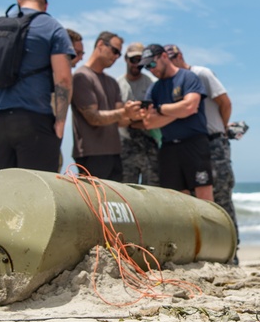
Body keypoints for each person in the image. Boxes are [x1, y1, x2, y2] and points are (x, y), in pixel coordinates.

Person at [0, 0, 74, 172]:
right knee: (38, 194)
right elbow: (64, 80)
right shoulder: (52, 28)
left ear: (19, 2)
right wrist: (60, 123)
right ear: (45, 6)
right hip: (34, 120)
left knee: (2, 191)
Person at [165, 44, 240, 247]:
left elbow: (225, 103)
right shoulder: (171, 82)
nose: (169, 64)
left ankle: (232, 247)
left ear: (180, 56)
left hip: (213, 141)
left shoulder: (201, 73)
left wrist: (222, 129)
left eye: (172, 58)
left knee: (222, 195)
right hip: (191, 145)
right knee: (192, 199)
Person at [137, 44, 212, 200]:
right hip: (168, 147)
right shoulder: (154, 89)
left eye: (152, 64)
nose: (151, 69)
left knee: (204, 199)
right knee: (178, 200)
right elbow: (149, 123)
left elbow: (190, 106)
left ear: (164, 56)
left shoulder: (188, 77)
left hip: (194, 144)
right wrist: (179, 111)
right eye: (146, 67)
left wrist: (161, 109)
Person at [70, 32, 138, 181]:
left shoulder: (112, 82)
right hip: (91, 154)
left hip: (114, 154)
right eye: (114, 51)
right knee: (93, 203)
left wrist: (136, 116)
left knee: (114, 204)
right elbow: (93, 118)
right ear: (100, 44)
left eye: (119, 54)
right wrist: (124, 112)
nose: (116, 57)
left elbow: (121, 120)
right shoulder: (82, 77)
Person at [118, 42, 161, 185]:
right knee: (126, 191)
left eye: (140, 61)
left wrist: (134, 118)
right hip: (126, 145)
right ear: (125, 59)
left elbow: (157, 116)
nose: (136, 64)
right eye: (133, 60)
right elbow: (117, 119)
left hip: (150, 143)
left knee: (153, 191)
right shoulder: (117, 85)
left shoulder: (153, 84)